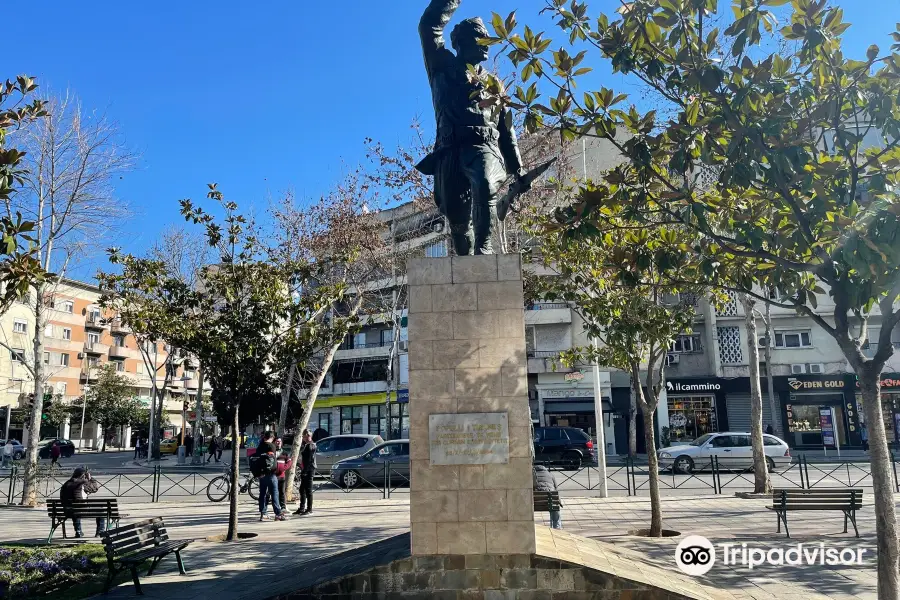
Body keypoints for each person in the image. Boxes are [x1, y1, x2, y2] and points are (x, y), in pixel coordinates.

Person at [60, 467, 105, 538]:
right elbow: (95, 488)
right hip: (81, 510)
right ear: (83, 475)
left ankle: (78, 531)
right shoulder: (82, 483)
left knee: (74, 508)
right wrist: (90, 479)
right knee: (101, 510)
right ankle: (100, 532)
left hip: (66, 511)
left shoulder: (66, 484)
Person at [255, 431, 284, 521]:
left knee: (263, 494)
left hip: (261, 474)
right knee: (274, 493)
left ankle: (263, 513)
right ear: (272, 437)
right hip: (270, 473)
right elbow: (272, 460)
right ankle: (278, 514)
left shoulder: (260, 446)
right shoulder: (271, 446)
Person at [294, 429, 317, 516]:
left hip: (309, 469)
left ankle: (309, 508)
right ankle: (302, 508)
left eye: (304, 436)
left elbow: (310, 460)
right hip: (306, 469)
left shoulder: (310, 446)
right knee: (302, 489)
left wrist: (306, 471)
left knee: (308, 490)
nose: (303, 438)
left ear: (307, 436)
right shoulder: (308, 445)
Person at [533, 465, 562, 530]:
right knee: (555, 505)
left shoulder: (531, 475)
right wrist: (559, 501)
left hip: (534, 503)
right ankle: (556, 527)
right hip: (549, 502)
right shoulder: (550, 475)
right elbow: (556, 489)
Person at [272, 438, 293, 512]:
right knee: (272, 492)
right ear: (274, 442)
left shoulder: (284, 453)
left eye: (280, 442)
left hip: (281, 476)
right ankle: (274, 508)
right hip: (273, 476)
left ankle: (283, 507)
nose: (278, 443)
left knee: (282, 492)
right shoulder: (271, 452)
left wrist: (284, 468)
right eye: (277, 441)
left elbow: (289, 462)